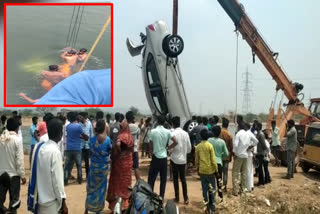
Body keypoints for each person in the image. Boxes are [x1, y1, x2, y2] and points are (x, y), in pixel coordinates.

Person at [28, 118, 68, 214]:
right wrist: (63, 202)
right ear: (60, 133)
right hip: (51, 201)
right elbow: (57, 181)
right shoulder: (55, 152)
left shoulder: (39, 147)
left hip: (39, 199)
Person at [148, 115, 178, 199]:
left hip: (155, 157)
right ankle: (161, 197)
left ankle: (150, 196)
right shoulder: (168, 132)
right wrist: (168, 148)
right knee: (163, 179)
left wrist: (151, 152)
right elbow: (176, 142)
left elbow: (150, 143)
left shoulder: (153, 131)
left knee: (151, 178)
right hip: (164, 157)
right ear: (164, 122)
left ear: (157, 122)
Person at [0, 118, 26, 214]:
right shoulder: (17, 140)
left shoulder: (1, 138)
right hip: (13, 176)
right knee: (14, 202)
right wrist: (22, 176)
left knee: (0, 202)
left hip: (1, 174)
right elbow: (19, 161)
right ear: (17, 128)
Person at [107, 120, 134, 212]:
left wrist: (119, 152)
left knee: (118, 183)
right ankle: (125, 205)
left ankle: (116, 205)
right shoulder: (129, 135)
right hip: (128, 162)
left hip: (120, 162)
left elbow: (118, 144)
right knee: (126, 182)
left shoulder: (121, 135)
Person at [85, 119, 111, 214]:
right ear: (104, 127)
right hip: (103, 168)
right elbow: (109, 151)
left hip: (94, 168)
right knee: (101, 189)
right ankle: (98, 210)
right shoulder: (107, 140)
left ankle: (87, 209)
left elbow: (90, 152)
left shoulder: (91, 139)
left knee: (91, 188)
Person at [169, 116, 191, 204]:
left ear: (173, 124)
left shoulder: (173, 133)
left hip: (174, 159)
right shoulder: (186, 133)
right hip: (183, 160)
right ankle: (186, 198)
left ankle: (177, 197)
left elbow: (170, 148)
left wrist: (170, 151)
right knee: (183, 179)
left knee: (175, 179)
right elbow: (189, 148)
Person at [232, 122, 258, 196]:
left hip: (239, 155)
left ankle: (236, 190)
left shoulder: (238, 134)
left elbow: (235, 145)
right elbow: (256, 141)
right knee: (244, 173)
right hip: (246, 156)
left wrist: (234, 153)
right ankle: (243, 189)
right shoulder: (248, 134)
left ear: (239, 127)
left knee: (236, 173)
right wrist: (249, 147)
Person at [195, 129, 218, 213]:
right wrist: (216, 170)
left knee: (204, 188)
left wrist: (197, 168)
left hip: (202, 170)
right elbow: (213, 160)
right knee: (212, 188)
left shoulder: (198, 146)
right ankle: (212, 205)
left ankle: (206, 204)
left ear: (201, 136)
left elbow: (196, 159)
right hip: (211, 170)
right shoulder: (210, 146)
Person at [64, 112, 88, 185]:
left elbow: (69, 135)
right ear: (76, 118)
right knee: (79, 165)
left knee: (67, 165)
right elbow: (83, 135)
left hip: (69, 148)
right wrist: (86, 138)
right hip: (77, 148)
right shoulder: (78, 126)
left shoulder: (67, 126)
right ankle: (79, 179)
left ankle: (65, 180)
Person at [208, 126, 228, 201]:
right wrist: (220, 156)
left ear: (212, 132)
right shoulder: (222, 142)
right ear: (219, 133)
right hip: (219, 163)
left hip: (210, 163)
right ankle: (221, 198)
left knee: (210, 182)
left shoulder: (209, 140)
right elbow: (226, 154)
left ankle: (211, 199)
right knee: (219, 181)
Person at [126, 111, 141, 181]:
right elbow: (138, 138)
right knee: (136, 168)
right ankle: (138, 184)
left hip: (126, 150)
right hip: (134, 150)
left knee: (127, 168)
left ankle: (127, 184)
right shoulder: (136, 127)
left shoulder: (125, 127)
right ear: (133, 119)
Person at [220, 117, 233, 192]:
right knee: (225, 172)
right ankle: (224, 187)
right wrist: (231, 156)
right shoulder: (229, 135)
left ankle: (219, 186)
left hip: (219, 156)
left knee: (219, 172)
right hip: (227, 155)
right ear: (228, 125)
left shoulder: (218, 133)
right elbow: (231, 147)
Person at [79, 112, 93, 180]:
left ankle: (88, 176)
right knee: (79, 162)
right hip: (80, 145)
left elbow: (91, 134)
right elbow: (77, 134)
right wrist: (82, 137)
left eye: (85, 117)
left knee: (87, 162)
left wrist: (89, 139)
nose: (84, 118)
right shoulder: (78, 124)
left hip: (87, 145)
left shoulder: (89, 123)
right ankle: (80, 176)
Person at [245, 123, 258, 192]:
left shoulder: (248, 133)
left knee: (248, 170)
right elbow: (255, 142)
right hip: (251, 154)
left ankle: (248, 187)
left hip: (248, 154)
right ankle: (251, 185)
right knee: (250, 171)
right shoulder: (250, 133)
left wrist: (249, 147)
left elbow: (256, 141)